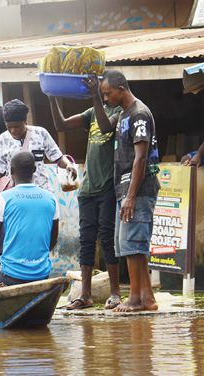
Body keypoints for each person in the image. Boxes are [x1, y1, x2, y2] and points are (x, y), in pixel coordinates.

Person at [49, 78, 122, 310]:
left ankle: (116, 293)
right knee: (86, 241)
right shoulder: (92, 111)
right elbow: (60, 125)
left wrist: (95, 97)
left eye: (106, 94)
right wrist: (52, 96)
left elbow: (105, 128)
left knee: (108, 239)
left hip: (108, 186)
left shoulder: (119, 111)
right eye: (103, 94)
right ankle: (86, 296)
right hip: (88, 188)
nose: (106, 97)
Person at [100, 70, 160, 312]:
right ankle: (146, 298)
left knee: (134, 244)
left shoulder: (139, 114)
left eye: (107, 94)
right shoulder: (123, 114)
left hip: (138, 188)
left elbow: (141, 157)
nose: (106, 99)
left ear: (121, 88)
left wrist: (132, 196)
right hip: (124, 188)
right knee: (127, 244)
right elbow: (104, 127)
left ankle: (136, 298)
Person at [0, 152, 59, 291]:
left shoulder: (3, 198)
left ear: (11, 171)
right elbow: (52, 240)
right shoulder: (51, 198)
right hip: (41, 273)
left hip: (10, 274)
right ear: (34, 170)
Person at [0, 99, 77, 197]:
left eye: (17, 126)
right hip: (15, 196)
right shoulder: (2, 139)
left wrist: (68, 165)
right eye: (9, 127)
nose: (13, 131)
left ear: (25, 122)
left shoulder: (41, 133)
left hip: (41, 193)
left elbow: (58, 157)